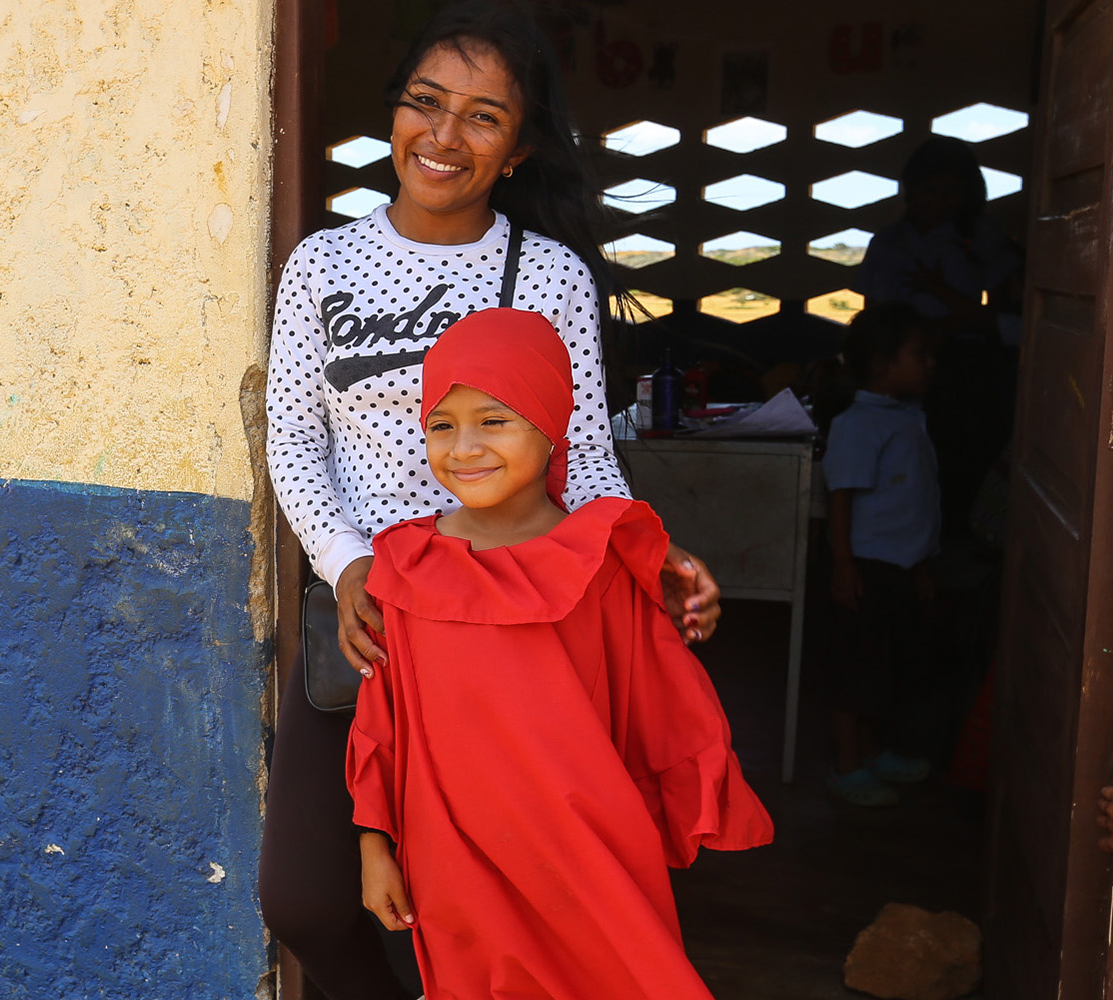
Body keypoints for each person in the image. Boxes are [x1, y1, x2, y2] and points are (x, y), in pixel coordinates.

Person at [262, 3, 722, 996]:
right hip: (371, 622)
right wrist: (344, 567)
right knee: (304, 899)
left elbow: (583, 457)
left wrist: (653, 557)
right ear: (392, 114)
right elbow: (295, 438)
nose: (442, 135)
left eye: (482, 116)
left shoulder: (544, 274)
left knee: (509, 900)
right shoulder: (322, 264)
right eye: (425, 104)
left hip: (507, 631)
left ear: (516, 150)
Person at [349, 308, 773, 999]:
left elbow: (657, 702)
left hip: (587, 853)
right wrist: (374, 845)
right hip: (456, 863)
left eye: (494, 421)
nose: (464, 448)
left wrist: (692, 790)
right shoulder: (405, 563)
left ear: (552, 426)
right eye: (441, 425)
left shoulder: (604, 557)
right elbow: (380, 723)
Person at [854, 136, 1021, 532]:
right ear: (911, 191)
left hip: (966, 364)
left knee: (962, 451)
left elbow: (999, 317)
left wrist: (945, 311)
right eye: (930, 190)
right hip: (896, 363)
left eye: (951, 191)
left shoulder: (981, 235)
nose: (940, 201)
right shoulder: (890, 241)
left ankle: (957, 528)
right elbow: (872, 313)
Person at [822, 304, 940, 807]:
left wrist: (920, 566)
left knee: (885, 666)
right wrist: (844, 565)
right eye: (918, 355)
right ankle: (846, 766)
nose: (930, 363)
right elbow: (841, 497)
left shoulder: (906, 417)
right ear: (880, 364)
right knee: (858, 670)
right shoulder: (859, 424)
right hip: (868, 567)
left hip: (899, 566)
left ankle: (873, 755)